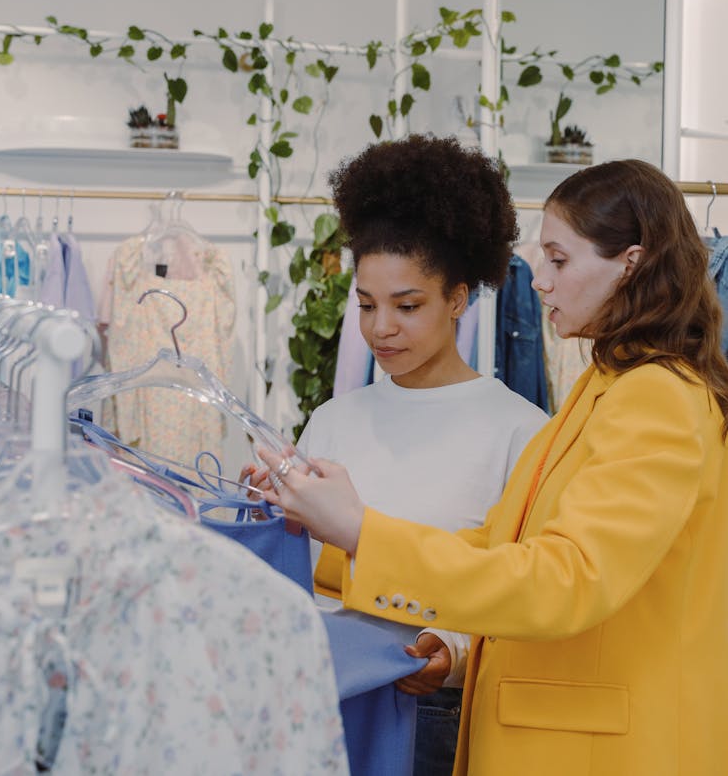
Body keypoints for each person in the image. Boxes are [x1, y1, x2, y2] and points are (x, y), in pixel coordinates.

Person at [260, 159, 728, 776]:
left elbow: (566, 579)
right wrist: (320, 531)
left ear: (631, 264)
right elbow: (500, 543)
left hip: (595, 748)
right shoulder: (604, 386)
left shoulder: (654, 394)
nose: (538, 281)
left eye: (559, 260)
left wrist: (361, 533)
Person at [256, 133, 548, 776]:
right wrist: (273, 513)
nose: (381, 328)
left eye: (406, 305)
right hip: (329, 698)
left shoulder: (521, 433)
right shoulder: (334, 421)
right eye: (366, 305)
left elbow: (526, 587)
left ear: (458, 298)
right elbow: (306, 575)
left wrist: (454, 653)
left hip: (438, 715)